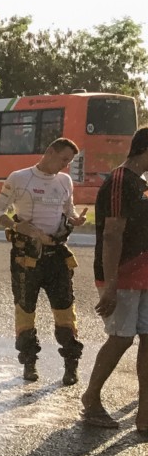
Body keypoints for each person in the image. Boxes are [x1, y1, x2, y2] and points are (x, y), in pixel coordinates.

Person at [0, 139, 88, 384]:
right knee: (25, 311)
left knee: (65, 311)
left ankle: (70, 365)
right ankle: (29, 364)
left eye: (70, 162)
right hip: (26, 259)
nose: (66, 166)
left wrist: (75, 219)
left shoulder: (64, 181)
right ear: (49, 152)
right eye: (64, 159)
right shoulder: (19, 178)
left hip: (57, 258)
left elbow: (68, 210)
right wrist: (15, 225)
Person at [79, 128, 148, 430]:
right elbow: (111, 234)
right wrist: (109, 286)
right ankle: (91, 399)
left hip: (145, 272)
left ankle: (144, 414)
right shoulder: (120, 180)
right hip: (122, 273)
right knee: (121, 338)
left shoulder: (142, 183)